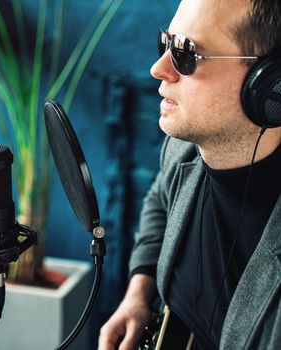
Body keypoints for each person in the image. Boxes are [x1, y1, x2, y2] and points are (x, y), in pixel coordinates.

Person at [97, 0, 281, 349]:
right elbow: (161, 198)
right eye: (166, 43)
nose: (158, 68)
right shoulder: (181, 149)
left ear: (271, 85)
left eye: (185, 52)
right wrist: (139, 291)